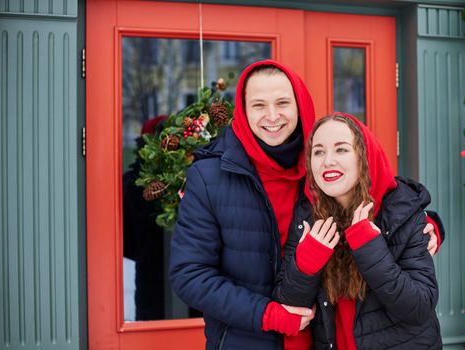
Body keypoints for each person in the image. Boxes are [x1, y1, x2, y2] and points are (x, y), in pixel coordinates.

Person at [169, 60, 442, 349]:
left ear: (299, 105)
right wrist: (266, 314)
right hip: (249, 338)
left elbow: (377, 185)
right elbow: (190, 274)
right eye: (259, 105)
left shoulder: (318, 159)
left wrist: (425, 223)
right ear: (243, 110)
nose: (272, 116)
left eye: (283, 103)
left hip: (320, 336)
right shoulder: (209, 176)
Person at [272, 113, 442, 349]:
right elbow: (288, 303)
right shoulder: (307, 215)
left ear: (364, 156)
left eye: (341, 150)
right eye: (318, 151)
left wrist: (370, 249)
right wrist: (306, 262)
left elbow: (420, 308)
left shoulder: (400, 212)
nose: (327, 161)